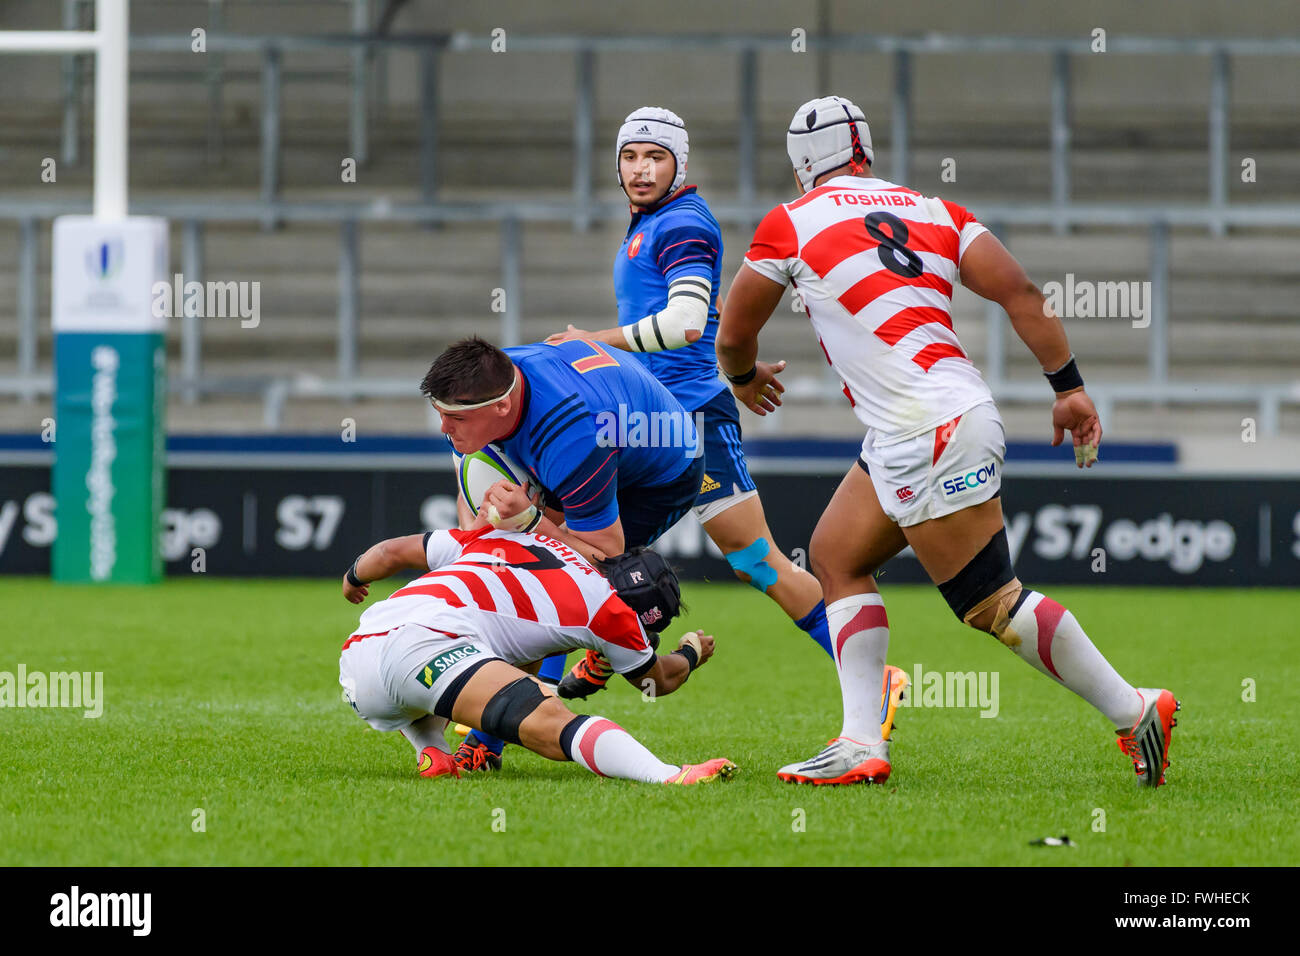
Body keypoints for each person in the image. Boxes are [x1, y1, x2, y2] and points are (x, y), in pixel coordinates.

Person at [716, 94, 1179, 787]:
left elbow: (731, 332)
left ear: (799, 169)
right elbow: (1022, 291)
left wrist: (745, 377)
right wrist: (1069, 388)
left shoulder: (790, 223)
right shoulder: (936, 210)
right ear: (866, 153)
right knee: (837, 556)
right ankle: (860, 740)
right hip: (939, 416)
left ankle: (1133, 706)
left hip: (924, 429)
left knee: (991, 602)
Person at [545, 106, 908, 716]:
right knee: (581, 551)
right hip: (653, 417)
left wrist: (594, 341)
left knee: (744, 561)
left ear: (679, 163)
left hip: (681, 420)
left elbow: (686, 323)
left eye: (654, 157)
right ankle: (564, 682)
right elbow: (701, 322)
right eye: (629, 156)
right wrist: (738, 369)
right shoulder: (655, 221)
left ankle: (878, 676)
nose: (639, 169)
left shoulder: (683, 224)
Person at [421, 334, 706, 770]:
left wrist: (531, 523)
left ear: (501, 407)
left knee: (567, 579)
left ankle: (488, 740)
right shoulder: (479, 390)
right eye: (439, 414)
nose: (443, 427)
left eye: (453, 418)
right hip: (605, 428)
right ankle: (595, 647)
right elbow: (473, 497)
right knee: (518, 572)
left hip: (663, 473)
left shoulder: (570, 435)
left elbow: (601, 553)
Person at [338, 523, 735, 785]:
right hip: (425, 649)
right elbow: (656, 680)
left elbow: (391, 552)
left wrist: (354, 576)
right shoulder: (612, 611)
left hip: (359, 662)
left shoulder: (505, 536)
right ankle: (667, 776)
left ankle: (433, 750)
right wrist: (690, 652)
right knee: (551, 721)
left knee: (488, 663)